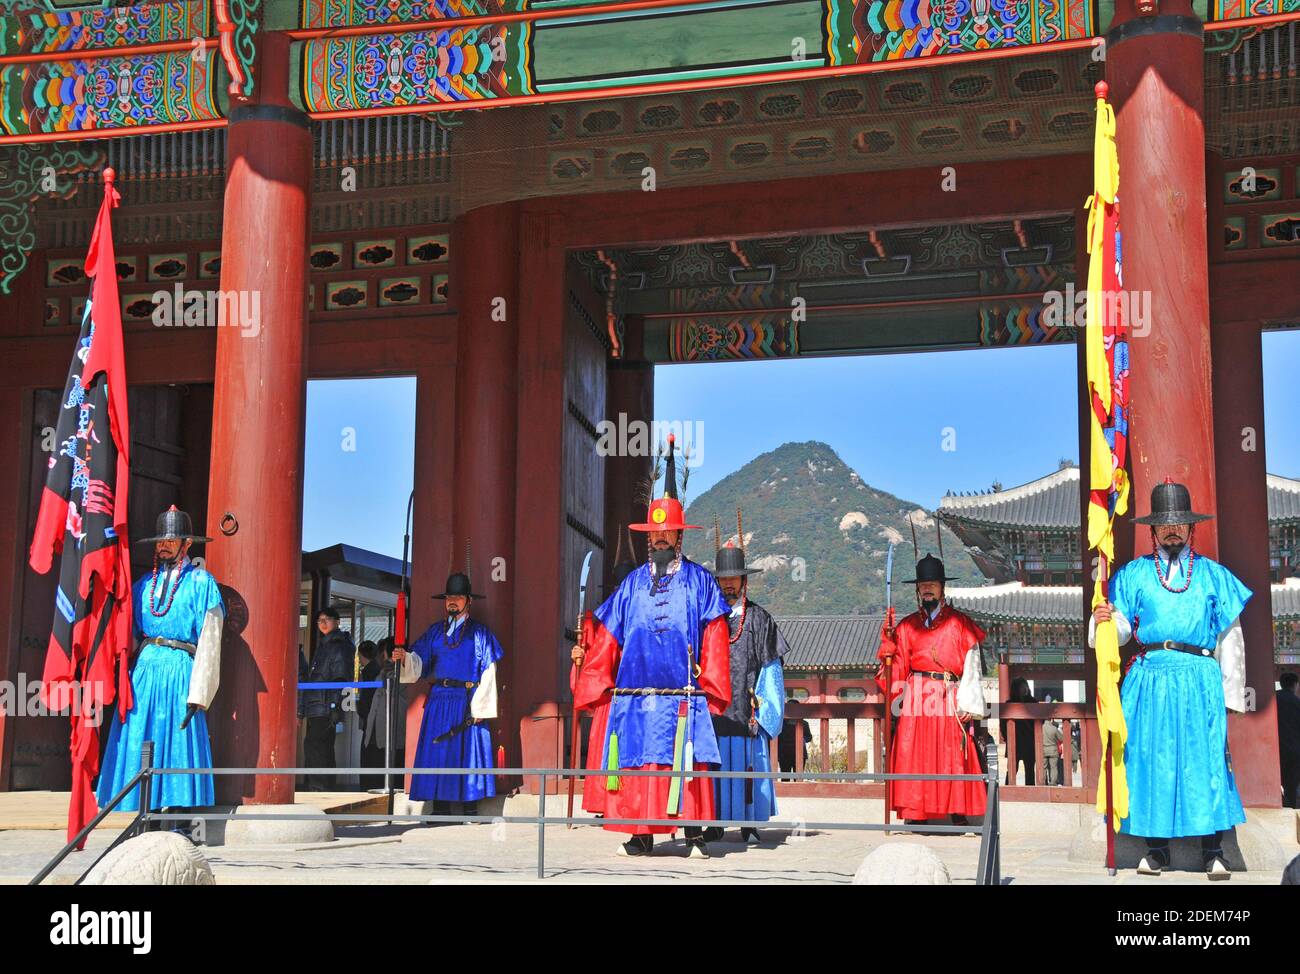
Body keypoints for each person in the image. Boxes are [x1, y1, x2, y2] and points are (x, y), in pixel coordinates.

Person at [574, 435, 731, 858]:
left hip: (682, 696)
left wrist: (711, 687)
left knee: (683, 763)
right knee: (640, 764)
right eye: (654, 534)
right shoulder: (631, 585)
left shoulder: (700, 582)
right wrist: (591, 670)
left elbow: (716, 635)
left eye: (667, 534)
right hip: (635, 696)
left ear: (679, 536)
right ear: (649, 536)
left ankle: (694, 831)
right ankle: (641, 832)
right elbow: (607, 634)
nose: (660, 540)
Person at [1091, 480, 1249, 879]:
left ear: (1192, 528)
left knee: (1206, 759)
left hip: (1198, 677)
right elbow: (1123, 630)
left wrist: (1232, 693)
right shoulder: (1134, 575)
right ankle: (1155, 850)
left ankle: (1213, 851)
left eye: (1179, 523)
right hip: (1150, 677)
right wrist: (1104, 623)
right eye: (1165, 524)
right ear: (1153, 530)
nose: (1172, 530)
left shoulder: (1213, 575)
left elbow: (1230, 637)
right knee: (1149, 760)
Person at [96, 506, 223, 812]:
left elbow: (210, 637)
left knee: (177, 739)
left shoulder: (202, 583)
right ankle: (141, 810)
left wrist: (201, 692)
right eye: (160, 540)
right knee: (141, 733)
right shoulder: (141, 587)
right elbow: (129, 635)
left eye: (172, 539)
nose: (164, 545)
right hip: (145, 671)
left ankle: (178, 813)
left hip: (180, 667)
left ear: (187, 544)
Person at [876, 553, 987, 826]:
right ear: (917, 589)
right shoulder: (906, 626)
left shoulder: (959, 623)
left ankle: (957, 810)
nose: (927, 588)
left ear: (942, 587)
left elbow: (972, 663)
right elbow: (897, 672)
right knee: (916, 757)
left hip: (948, 694)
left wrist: (969, 703)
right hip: (916, 698)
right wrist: (888, 650)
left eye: (932, 584)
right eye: (923, 585)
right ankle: (917, 813)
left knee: (952, 754)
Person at [701, 523, 787, 846]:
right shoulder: (707, 619)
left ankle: (749, 822)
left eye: (733, 579)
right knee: (715, 764)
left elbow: (771, 669)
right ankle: (715, 822)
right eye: (723, 579)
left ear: (744, 581)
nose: (728, 586)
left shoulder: (760, 620)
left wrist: (766, 706)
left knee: (748, 763)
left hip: (747, 707)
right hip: (715, 710)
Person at [393, 568, 503, 815]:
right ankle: (440, 809)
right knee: (439, 753)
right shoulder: (434, 632)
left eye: (459, 597)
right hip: (439, 702)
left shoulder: (479, 633)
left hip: (467, 699)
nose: (452, 602)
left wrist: (481, 706)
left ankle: (470, 807)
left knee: (467, 753)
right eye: (449, 598)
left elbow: (488, 670)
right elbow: (418, 662)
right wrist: (404, 659)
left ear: (469, 601)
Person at [569, 553, 638, 817]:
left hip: (636, 698)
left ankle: (631, 803)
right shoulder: (601, 624)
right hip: (610, 699)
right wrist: (580, 658)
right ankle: (604, 804)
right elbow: (593, 665)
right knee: (606, 750)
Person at [301, 607, 355, 792]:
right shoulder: (326, 644)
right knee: (322, 746)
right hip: (319, 703)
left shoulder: (338, 645)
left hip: (325, 703)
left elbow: (339, 678)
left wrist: (334, 705)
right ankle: (323, 786)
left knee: (316, 745)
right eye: (319, 620)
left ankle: (318, 787)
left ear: (337, 621)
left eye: (327, 619)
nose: (323, 623)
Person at [1001, 677, 1036, 786]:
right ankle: (1008, 789)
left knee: (1030, 769)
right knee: (1012, 769)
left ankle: (1030, 791)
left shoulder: (1033, 702)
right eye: (1021, 686)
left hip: (1029, 741)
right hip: (1014, 740)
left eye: (1025, 685)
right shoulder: (1009, 703)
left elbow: (1040, 722)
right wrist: (1008, 738)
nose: (1024, 688)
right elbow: (1003, 724)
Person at [1277, 672, 1300, 808]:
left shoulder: (1274, 698)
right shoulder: (1297, 702)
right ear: (1295, 685)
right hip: (1294, 748)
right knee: (1291, 782)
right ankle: (1290, 805)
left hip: (1276, 747)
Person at [1041, 718, 1062, 786]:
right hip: (1053, 750)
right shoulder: (1054, 728)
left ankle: (1042, 782)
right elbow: (1061, 738)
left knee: (1043, 767)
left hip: (1043, 749)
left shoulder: (1041, 728)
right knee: (1053, 767)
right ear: (1051, 720)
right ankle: (1053, 782)